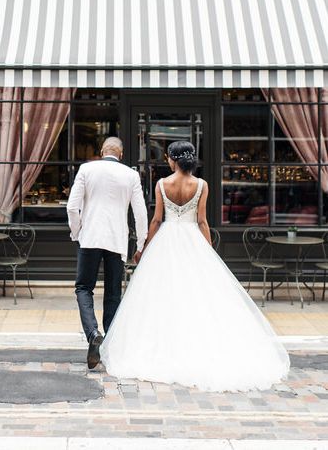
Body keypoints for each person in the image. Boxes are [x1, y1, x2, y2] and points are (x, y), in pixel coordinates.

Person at [100, 141, 290, 392]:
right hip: (191, 239)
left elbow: (157, 219)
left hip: (166, 241)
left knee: (162, 295)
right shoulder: (201, 185)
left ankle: (165, 345)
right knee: (195, 294)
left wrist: (144, 248)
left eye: (168, 157)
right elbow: (202, 221)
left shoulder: (162, 184)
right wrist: (209, 251)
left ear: (173, 160)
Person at [66, 136, 148, 369]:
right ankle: (109, 347)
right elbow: (140, 213)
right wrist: (140, 244)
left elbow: (72, 206)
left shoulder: (86, 169)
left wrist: (76, 232)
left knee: (84, 288)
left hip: (90, 237)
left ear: (102, 151)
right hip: (116, 240)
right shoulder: (131, 175)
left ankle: (93, 334)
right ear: (120, 154)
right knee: (113, 293)